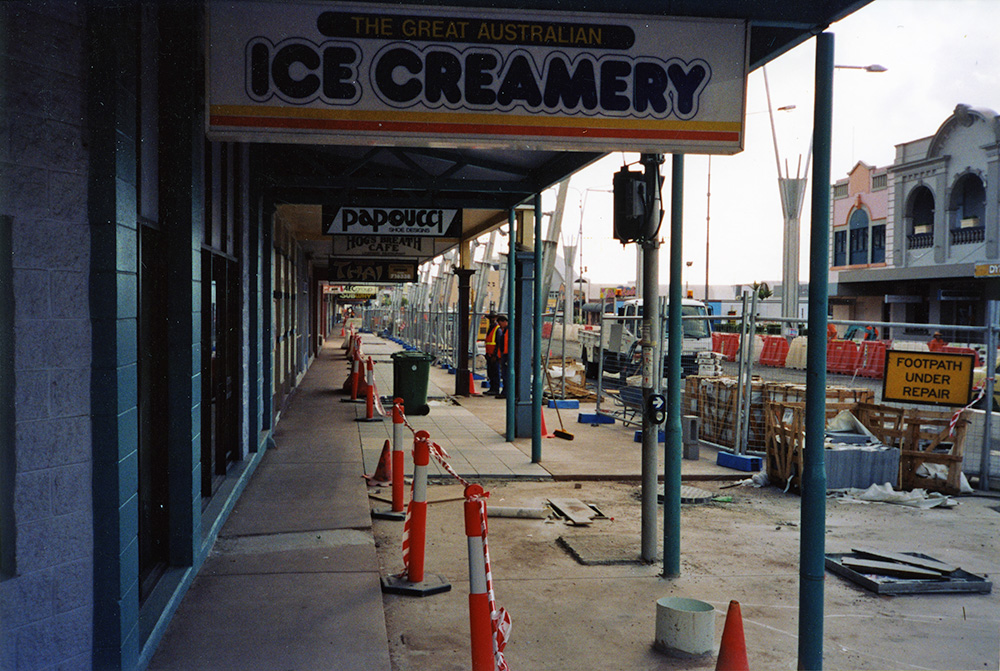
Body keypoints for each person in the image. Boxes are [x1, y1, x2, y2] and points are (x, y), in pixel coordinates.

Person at [484, 312, 500, 396]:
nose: (491, 320)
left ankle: (495, 389)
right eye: (490, 318)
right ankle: (492, 388)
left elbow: (498, 343)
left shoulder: (497, 329)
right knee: (490, 372)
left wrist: (495, 355)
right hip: (489, 355)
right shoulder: (490, 328)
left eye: (493, 318)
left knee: (495, 372)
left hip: (494, 356)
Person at [494, 314, 509, 398]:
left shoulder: (508, 331)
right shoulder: (504, 331)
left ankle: (506, 392)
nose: (499, 326)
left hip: (507, 355)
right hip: (505, 355)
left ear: (504, 322)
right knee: (504, 374)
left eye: (500, 323)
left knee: (506, 374)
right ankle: (505, 391)